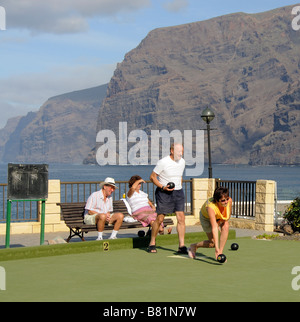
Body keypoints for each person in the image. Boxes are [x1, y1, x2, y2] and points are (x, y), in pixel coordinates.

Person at [148, 143, 187, 253]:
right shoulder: (163, 162)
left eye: (182, 151)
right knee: (160, 219)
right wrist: (162, 187)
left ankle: (181, 246)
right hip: (163, 192)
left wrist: (179, 187)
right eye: (179, 151)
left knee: (181, 218)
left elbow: (180, 176)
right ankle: (152, 242)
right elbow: (152, 177)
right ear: (172, 151)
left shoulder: (182, 162)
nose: (181, 153)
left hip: (178, 192)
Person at [188, 187, 232, 260]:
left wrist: (219, 222)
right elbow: (214, 228)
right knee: (213, 243)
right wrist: (216, 248)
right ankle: (194, 246)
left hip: (218, 217)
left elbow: (227, 216)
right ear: (217, 201)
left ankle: (220, 253)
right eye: (223, 200)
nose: (226, 202)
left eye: (227, 199)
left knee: (226, 225)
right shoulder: (211, 207)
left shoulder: (229, 201)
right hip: (206, 218)